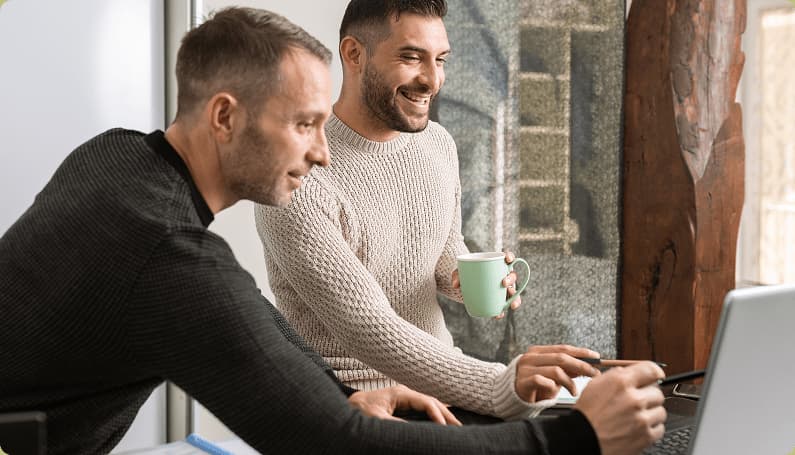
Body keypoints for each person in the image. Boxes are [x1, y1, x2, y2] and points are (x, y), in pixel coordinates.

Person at [0, 6, 665, 455]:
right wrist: (577, 435)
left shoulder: (116, 157)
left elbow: (248, 332)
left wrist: (343, 391)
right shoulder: (170, 256)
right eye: (302, 124)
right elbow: (337, 443)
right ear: (225, 117)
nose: (322, 151)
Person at [256, 0, 605, 421]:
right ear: (354, 54)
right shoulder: (299, 177)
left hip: (447, 389)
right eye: (411, 57)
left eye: (440, 60)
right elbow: (370, 329)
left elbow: (442, 250)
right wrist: (501, 385)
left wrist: (465, 281)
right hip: (359, 407)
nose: (432, 80)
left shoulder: (437, 143)